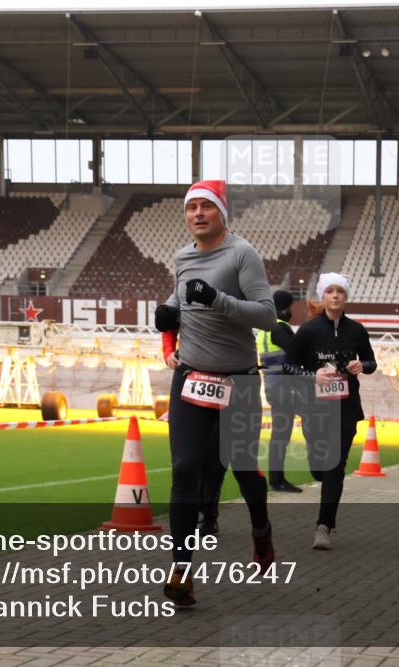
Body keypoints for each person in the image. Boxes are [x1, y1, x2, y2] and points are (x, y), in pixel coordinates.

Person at [154, 179, 276, 607]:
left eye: (207, 207)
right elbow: (182, 294)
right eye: (191, 209)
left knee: (243, 468)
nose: (198, 214)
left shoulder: (243, 254)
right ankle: (182, 571)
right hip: (190, 377)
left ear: (222, 213)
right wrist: (167, 312)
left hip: (238, 381)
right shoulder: (182, 256)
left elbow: (266, 316)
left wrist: (219, 299)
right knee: (185, 468)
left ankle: (261, 530)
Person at [284, 273, 376, 550]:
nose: (335, 296)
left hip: (346, 408)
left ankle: (323, 527)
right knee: (319, 467)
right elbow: (289, 365)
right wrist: (313, 376)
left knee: (335, 466)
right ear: (322, 297)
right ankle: (322, 475)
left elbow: (371, 361)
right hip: (314, 407)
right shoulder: (310, 330)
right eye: (330, 291)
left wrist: (362, 366)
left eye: (340, 292)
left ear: (346, 297)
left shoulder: (357, 330)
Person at [158, 321, 225, 535]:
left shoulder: (234, 296)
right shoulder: (185, 292)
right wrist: (169, 352)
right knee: (188, 460)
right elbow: (169, 323)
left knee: (217, 459)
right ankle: (191, 516)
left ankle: (210, 514)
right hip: (191, 379)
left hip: (227, 377)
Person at [257, 289, 303, 493]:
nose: (291, 310)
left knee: (280, 433)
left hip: (272, 384)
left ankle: (277, 478)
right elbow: (297, 353)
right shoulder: (280, 328)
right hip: (285, 387)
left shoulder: (264, 329)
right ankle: (277, 479)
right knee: (281, 435)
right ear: (284, 308)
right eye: (290, 307)